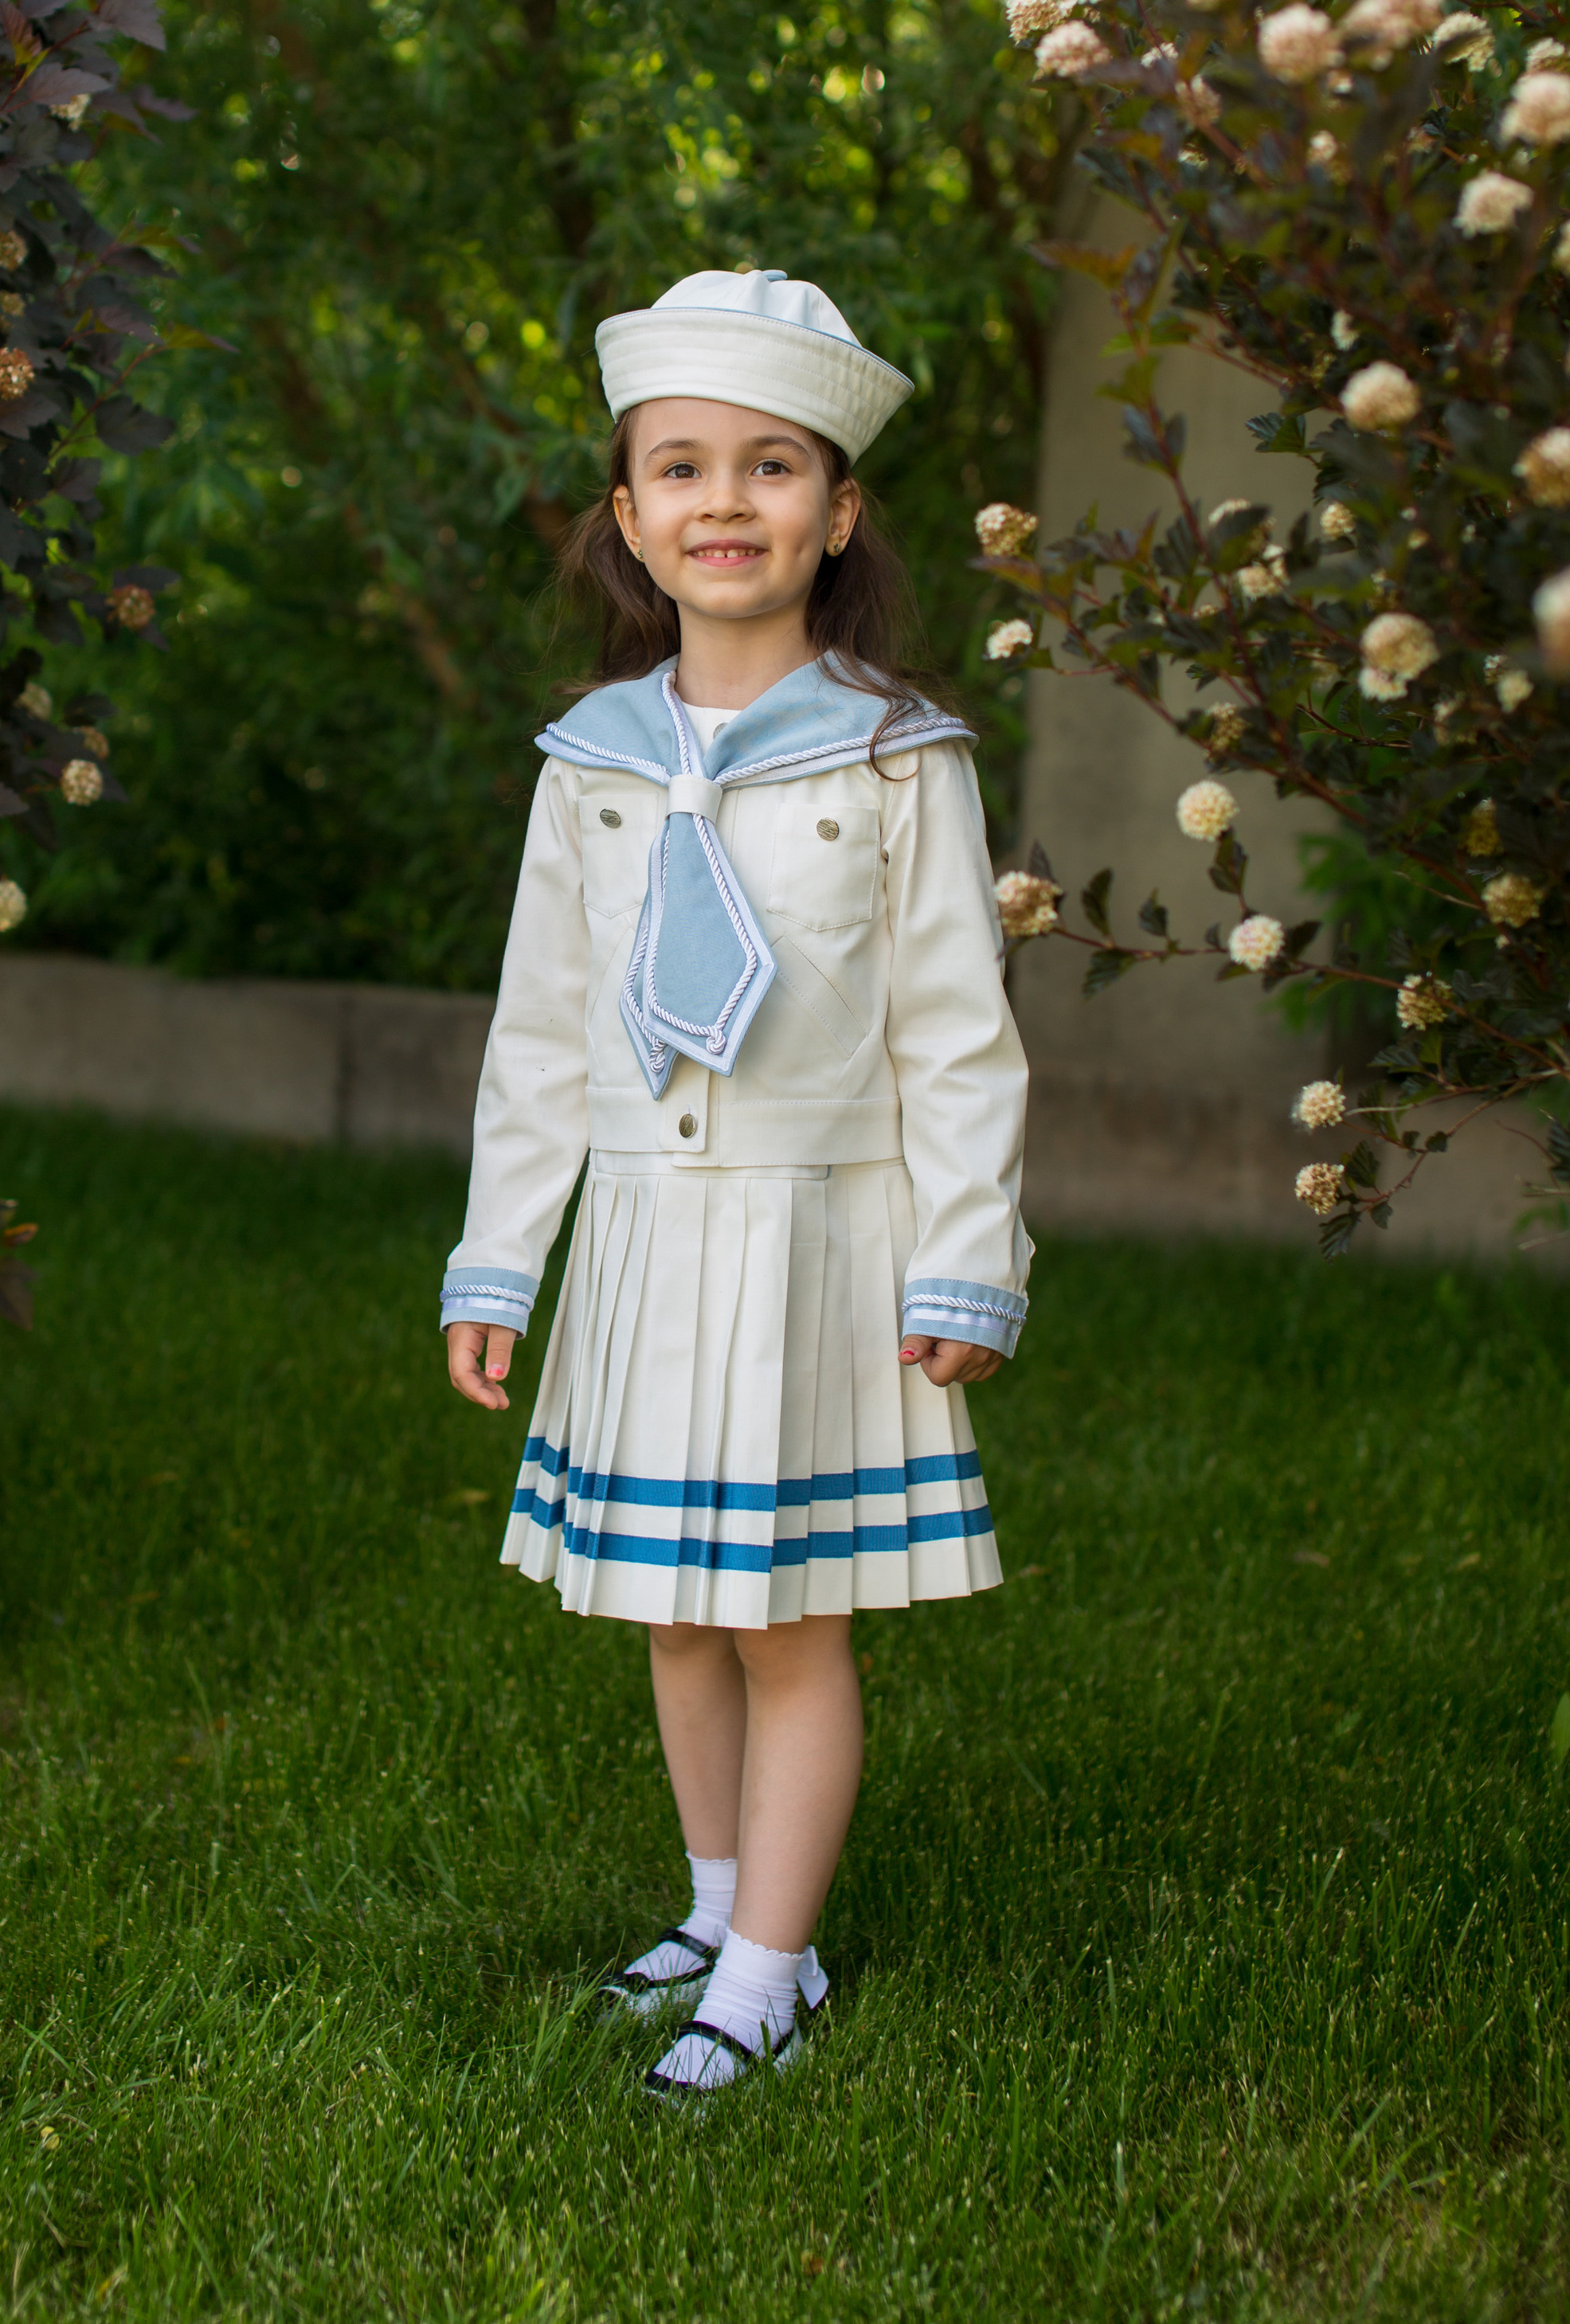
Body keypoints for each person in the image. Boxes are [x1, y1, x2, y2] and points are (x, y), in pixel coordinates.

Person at [440, 267, 1032, 2099]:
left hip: (813, 1238)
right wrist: (498, 1260)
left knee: (786, 1616)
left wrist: (966, 1261)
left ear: (836, 512)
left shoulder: (894, 756)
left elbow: (957, 1036)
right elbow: (541, 1030)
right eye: (679, 468)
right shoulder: (589, 767)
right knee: (677, 1606)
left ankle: (773, 1971)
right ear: (626, 518)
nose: (723, 501)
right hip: (644, 1235)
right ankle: (714, 1910)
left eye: (769, 466)